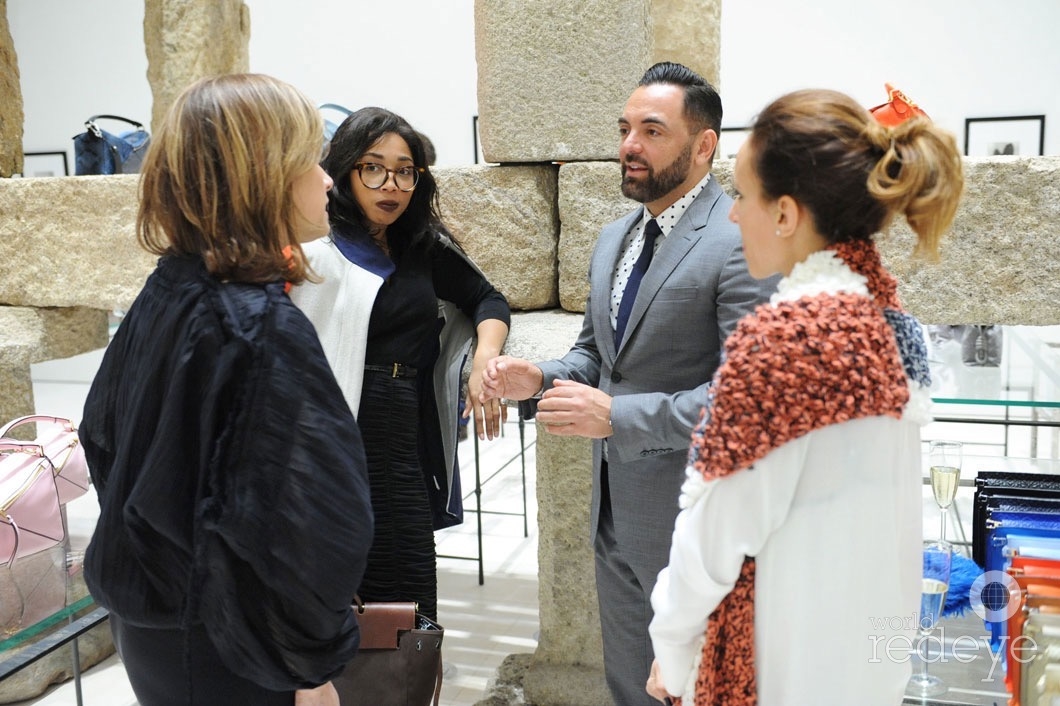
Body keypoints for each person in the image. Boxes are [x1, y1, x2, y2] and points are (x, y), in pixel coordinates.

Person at [645, 88, 964, 705]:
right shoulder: (888, 321)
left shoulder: (788, 343)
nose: (733, 215)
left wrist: (672, 645)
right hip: (866, 664)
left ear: (786, 214)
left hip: (788, 665)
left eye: (742, 195)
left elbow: (715, 536)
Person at [480, 62, 776, 705]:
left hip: (699, 519)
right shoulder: (614, 238)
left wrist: (617, 416)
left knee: (698, 688)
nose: (629, 146)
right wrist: (539, 378)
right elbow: (595, 356)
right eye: (624, 129)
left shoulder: (738, 241)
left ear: (704, 146)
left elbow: (745, 399)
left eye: (651, 130)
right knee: (629, 686)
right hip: (612, 511)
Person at [79, 74, 374, 706]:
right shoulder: (256, 324)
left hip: (157, 622)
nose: (328, 180)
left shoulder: (170, 290)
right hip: (228, 645)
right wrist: (309, 665)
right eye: (310, 162)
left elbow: (104, 439)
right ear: (263, 175)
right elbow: (308, 521)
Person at [290, 107, 511, 623]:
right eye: (373, 167)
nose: (391, 184)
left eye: (405, 170)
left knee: (410, 581)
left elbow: (487, 298)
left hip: (403, 425)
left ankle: (405, 680)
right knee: (341, 574)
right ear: (345, 170)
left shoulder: (420, 248)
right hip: (340, 428)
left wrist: (483, 359)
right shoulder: (317, 251)